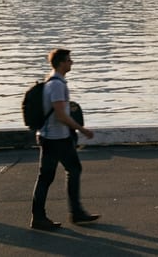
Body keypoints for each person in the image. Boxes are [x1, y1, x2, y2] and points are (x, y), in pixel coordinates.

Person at [30, 48, 99, 230]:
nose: (72, 62)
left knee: (49, 176)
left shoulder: (50, 81)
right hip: (56, 138)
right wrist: (82, 129)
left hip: (49, 137)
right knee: (70, 170)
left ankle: (41, 216)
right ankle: (74, 213)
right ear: (61, 63)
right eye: (69, 60)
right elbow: (60, 115)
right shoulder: (57, 85)